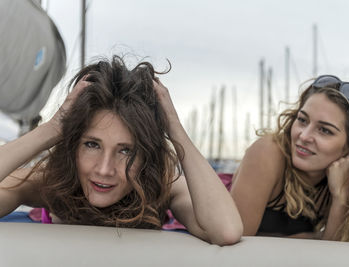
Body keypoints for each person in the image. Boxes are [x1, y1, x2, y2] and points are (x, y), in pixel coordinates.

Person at [0, 56, 243, 245]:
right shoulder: (51, 182)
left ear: (148, 156)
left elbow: (226, 231)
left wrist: (176, 130)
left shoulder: (163, 187)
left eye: (126, 151)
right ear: (73, 144)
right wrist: (51, 129)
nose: (105, 169)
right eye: (92, 144)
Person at [231, 75, 349, 243]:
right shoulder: (269, 152)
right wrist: (309, 239)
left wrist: (340, 198)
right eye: (303, 120)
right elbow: (237, 246)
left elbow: (330, 256)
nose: (304, 136)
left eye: (325, 130)